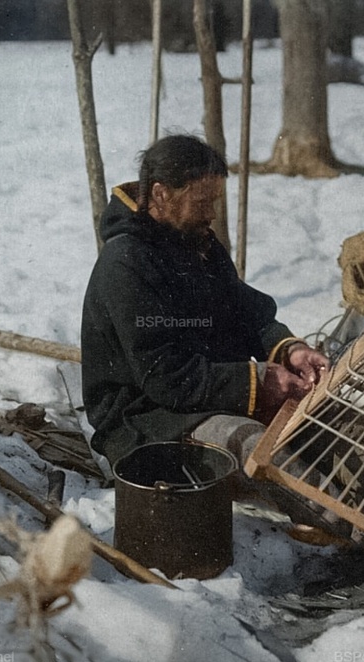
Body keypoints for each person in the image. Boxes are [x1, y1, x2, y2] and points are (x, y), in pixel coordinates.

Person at [80, 134, 329, 475]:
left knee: (316, 422)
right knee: (255, 445)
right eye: (201, 203)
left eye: (214, 201)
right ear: (160, 194)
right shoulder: (125, 263)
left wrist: (288, 350)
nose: (211, 214)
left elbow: (244, 311)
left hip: (205, 396)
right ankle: (347, 524)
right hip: (146, 420)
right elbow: (166, 377)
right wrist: (256, 381)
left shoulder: (197, 244)